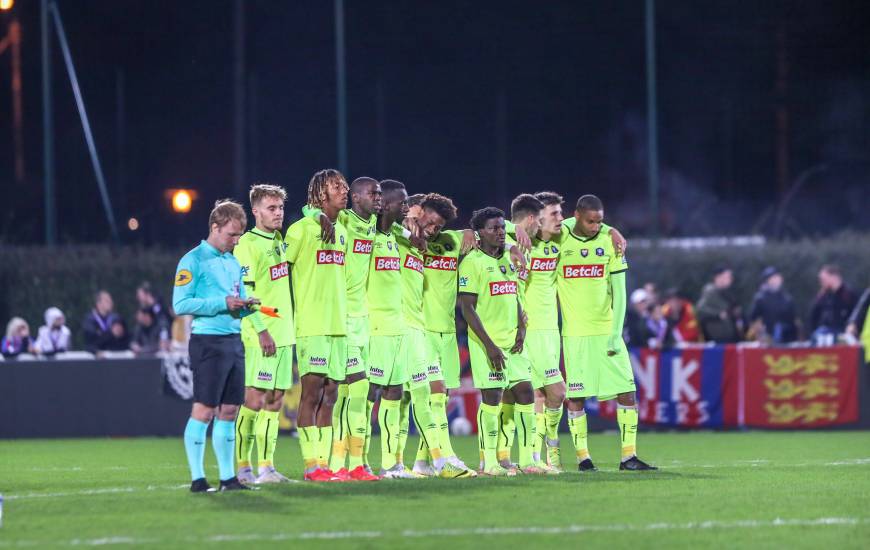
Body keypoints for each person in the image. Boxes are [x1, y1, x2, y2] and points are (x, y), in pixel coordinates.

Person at [502, 191, 626, 472]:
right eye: (555, 214)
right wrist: (512, 230)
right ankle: (530, 458)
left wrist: (612, 231)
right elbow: (496, 224)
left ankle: (548, 451)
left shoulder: (559, 242)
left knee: (555, 395)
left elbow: (586, 221)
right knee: (533, 394)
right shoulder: (518, 243)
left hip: (550, 331)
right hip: (524, 329)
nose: (562, 218)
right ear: (537, 219)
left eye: (561, 213)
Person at [557, 194, 656, 471]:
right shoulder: (559, 236)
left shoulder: (610, 241)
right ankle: (583, 458)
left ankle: (628, 457)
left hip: (606, 332)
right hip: (575, 334)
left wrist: (616, 331)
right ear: (576, 215)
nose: (595, 226)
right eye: (590, 221)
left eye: (600, 221)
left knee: (627, 390)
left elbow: (621, 292)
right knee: (576, 396)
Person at [173, 199, 258, 493]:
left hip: (234, 340)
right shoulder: (192, 260)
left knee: (230, 411)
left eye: (238, 236)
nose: (235, 241)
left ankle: (227, 479)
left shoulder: (233, 263)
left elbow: (238, 299)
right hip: (208, 341)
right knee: (205, 409)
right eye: (231, 235)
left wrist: (247, 307)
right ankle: (198, 479)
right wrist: (221, 303)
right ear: (215, 227)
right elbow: (180, 303)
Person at [302, 177, 382, 481]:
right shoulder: (342, 220)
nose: (376, 198)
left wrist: (510, 236)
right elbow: (308, 209)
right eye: (370, 193)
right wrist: (317, 214)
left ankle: (354, 463)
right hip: (342, 317)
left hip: (364, 318)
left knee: (357, 392)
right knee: (352, 390)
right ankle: (339, 463)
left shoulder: (375, 224)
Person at [391, 185, 470, 478]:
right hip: (416, 329)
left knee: (440, 398)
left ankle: (422, 463)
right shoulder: (402, 237)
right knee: (426, 392)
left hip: (446, 332)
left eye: (439, 225)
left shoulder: (450, 240)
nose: (434, 229)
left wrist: (513, 235)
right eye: (430, 222)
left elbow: (486, 229)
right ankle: (444, 458)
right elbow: (382, 223)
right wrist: (408, 217)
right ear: (417, 212)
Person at [458, 207, 541, 476]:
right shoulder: (472, 262)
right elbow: (467, 307)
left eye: (501, 227)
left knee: (526, 392)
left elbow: (513, 294)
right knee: (492, 398)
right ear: (479, 233)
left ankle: (529, 460)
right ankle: (488, 461)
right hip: (487, 344)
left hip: (513, 341)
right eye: (493, 228)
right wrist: (490, 345)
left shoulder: (507, 258)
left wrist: (521, 327)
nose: (499, 232)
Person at [284, 169, 350, 482]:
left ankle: (326, 465)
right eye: (338, 187)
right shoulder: (298, 231)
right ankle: (311, 465)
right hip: (312, 324)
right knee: (311, 394)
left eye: (345, 186)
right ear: (321, 193)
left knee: (332, 393)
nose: (344, 190)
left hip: (339, 323)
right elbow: (280, 273)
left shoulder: (344, 231)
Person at [232, 184, 298, 484]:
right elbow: (245, 291)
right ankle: (243, 467)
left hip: (284, 332)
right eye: (271, 208)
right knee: (254, 399)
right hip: (261, 334)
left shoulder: (279, 240)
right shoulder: (247, 244)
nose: (278, 213)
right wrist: (261, 330)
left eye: (280, 208)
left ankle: (267, 467)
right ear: (255, 211)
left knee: (274, 399)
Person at [747, 267, 800, 344]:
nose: (776, 280)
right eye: (773, 278)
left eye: (777, 277)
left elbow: (794, 320)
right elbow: (753, 320)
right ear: (767, 281)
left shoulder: (787, 298)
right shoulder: (760, 298)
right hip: (767, 342)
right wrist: (757, 336)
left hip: (787, 340)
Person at [696, 267, 743, 343]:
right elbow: (700, 309)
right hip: (718, 338)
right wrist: (718, 315)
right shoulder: (710, 292)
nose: (730, 279)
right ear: (718, 277)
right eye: (727, 277)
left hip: (731, 337)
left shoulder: (727, 292)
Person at [810, 265, 857, 339]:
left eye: (823, 279)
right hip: (826, 332)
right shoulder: (824, 295)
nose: (821, 282)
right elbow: (814, 315)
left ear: (834, 277)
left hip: (843, 333)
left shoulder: (848, 294)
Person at [137, 282, 172, 351]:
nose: (138, 297)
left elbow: (162, 318)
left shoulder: (157, 305)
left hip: (163, 333)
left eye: (140, 294)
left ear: (147, 294)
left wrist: (154, 304)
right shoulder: (144, 307)